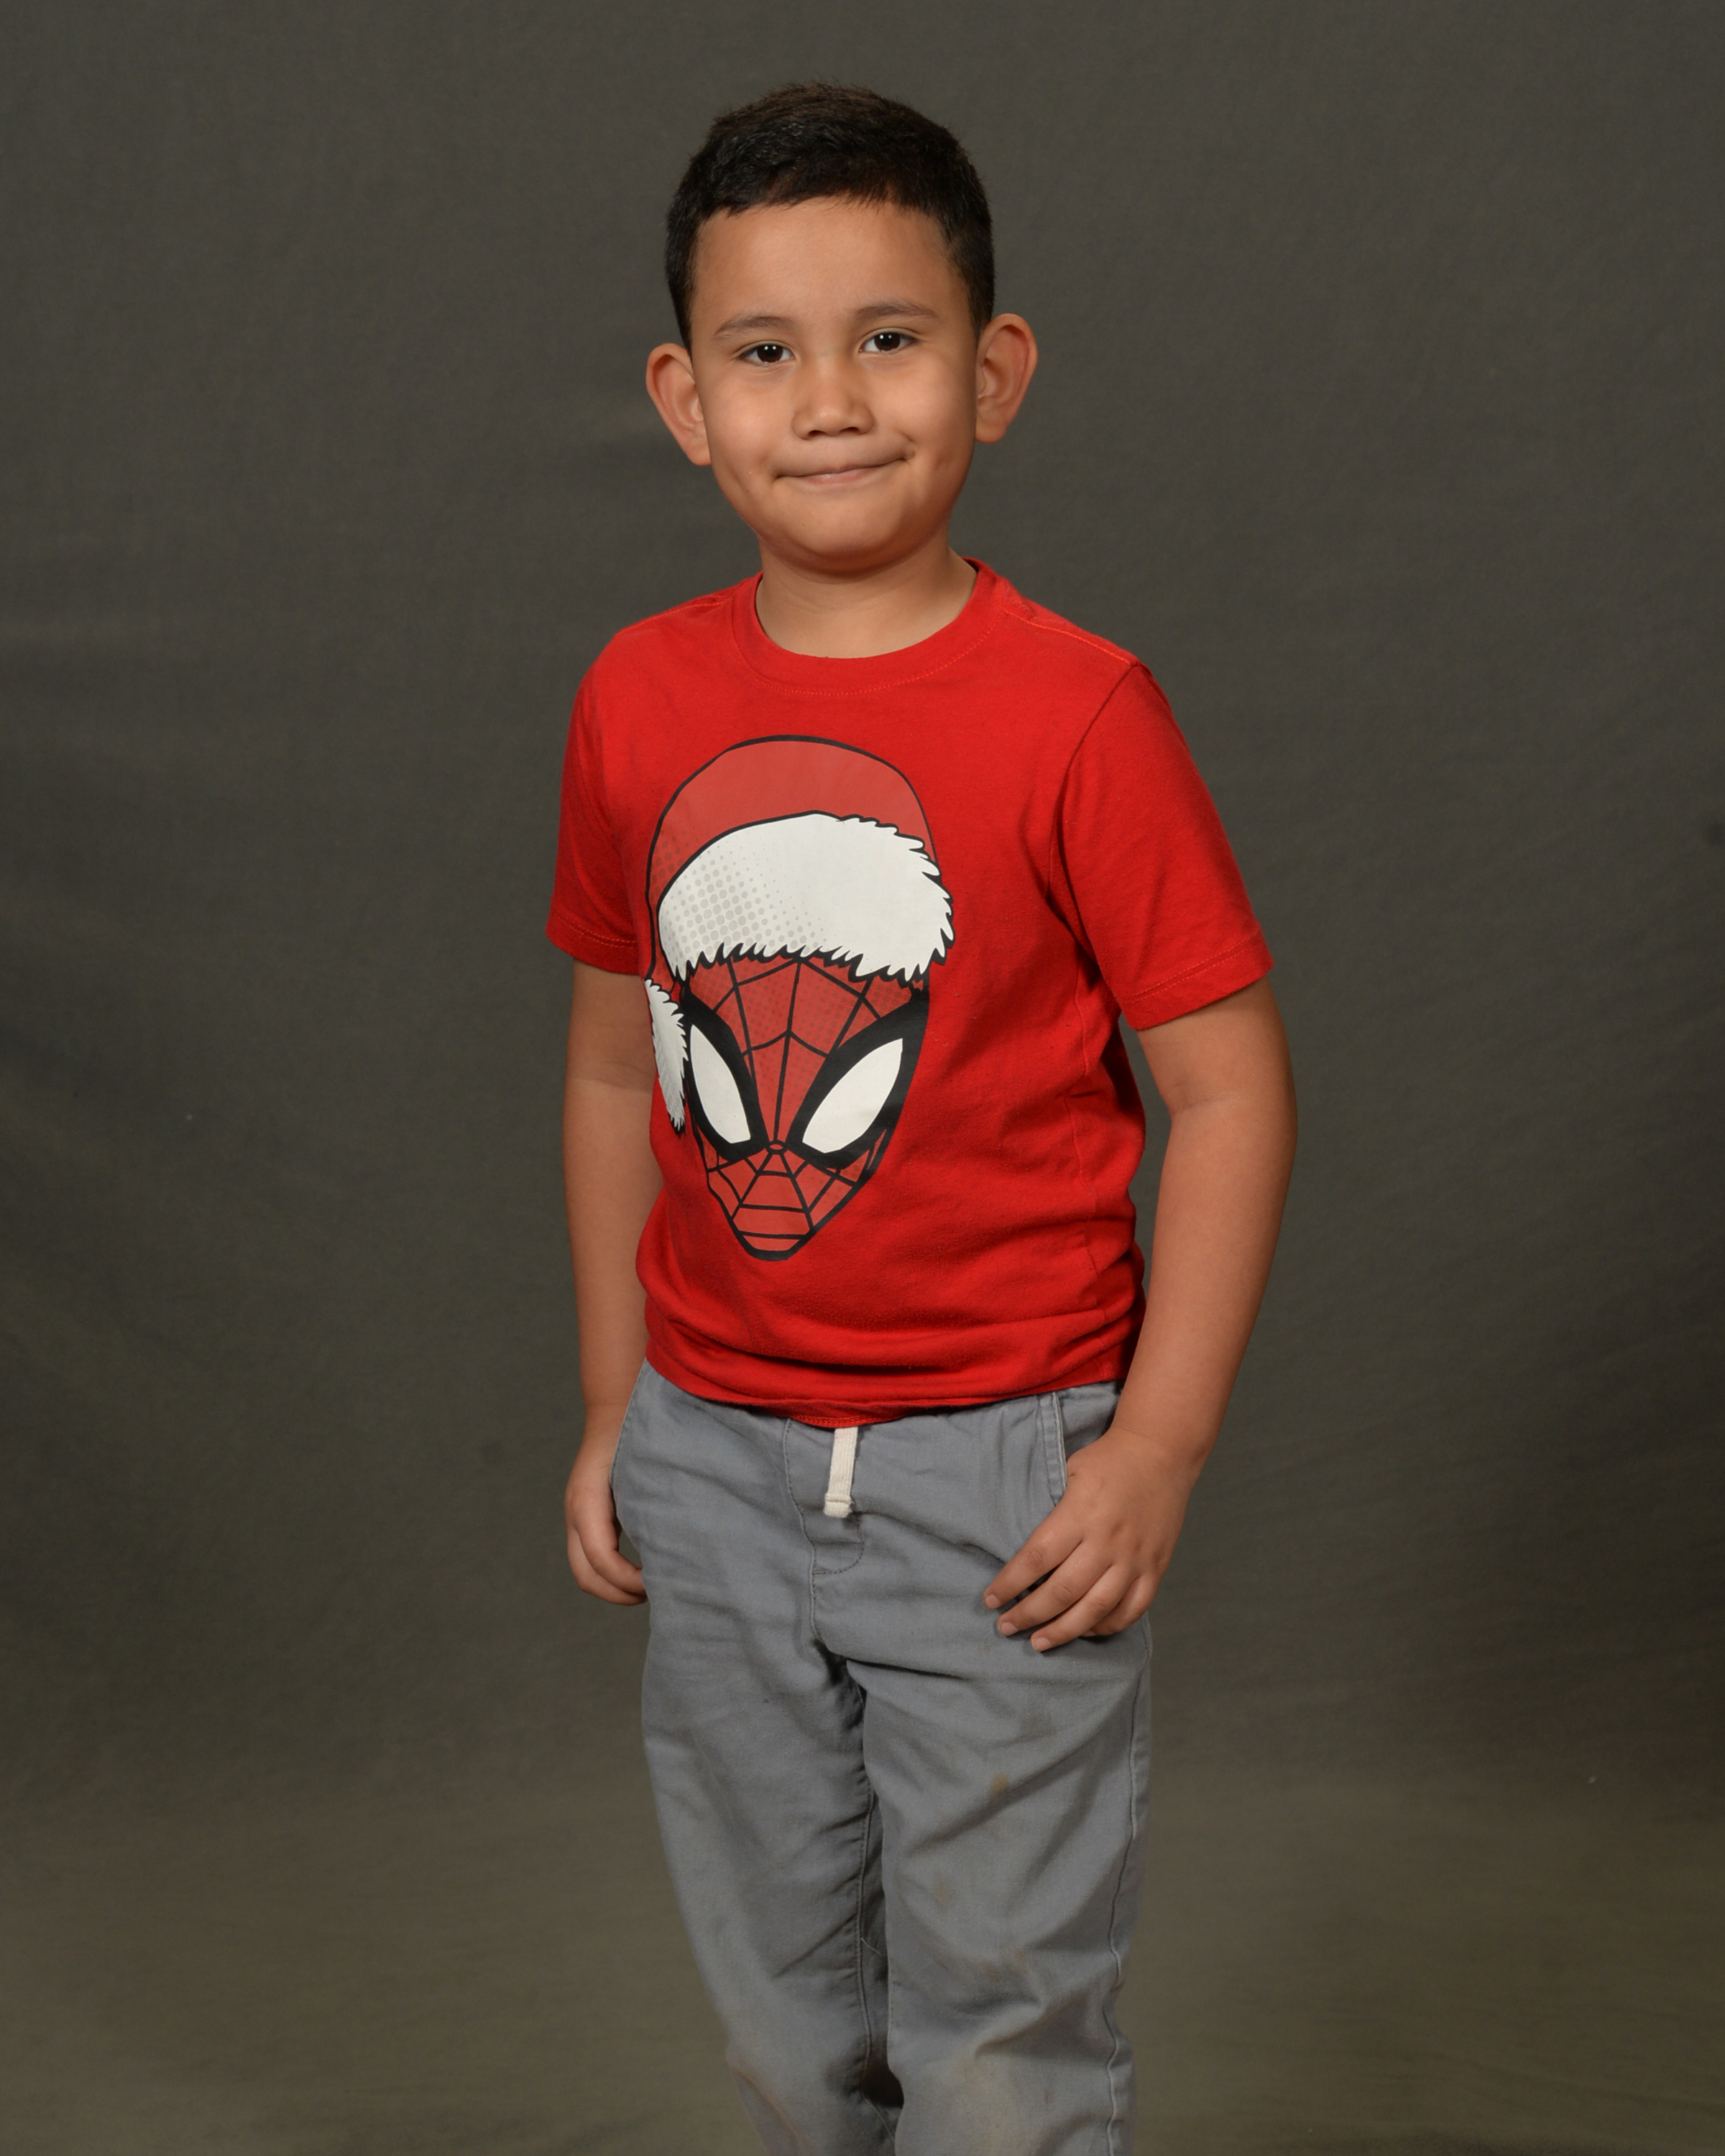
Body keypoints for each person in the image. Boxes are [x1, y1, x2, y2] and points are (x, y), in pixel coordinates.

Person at [548, 81, 1297, 2156]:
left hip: (1004, 1486)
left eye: (890, 336)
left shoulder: (1081, 714)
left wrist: (1156, 1446)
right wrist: (617, 1406)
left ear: (994, 370)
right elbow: (616, 1063)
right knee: (795, 2036)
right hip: (713, 1459)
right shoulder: (634, 699)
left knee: (999, 2039)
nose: (831, 401)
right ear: (685, 402)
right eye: (765, 351)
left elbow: (1229, 1089)